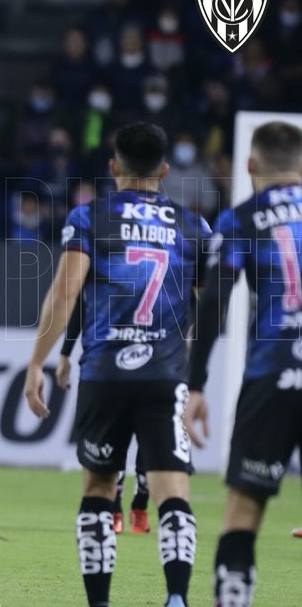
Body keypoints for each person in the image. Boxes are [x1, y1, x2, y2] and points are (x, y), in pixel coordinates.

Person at [25, 122, 210, 607]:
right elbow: (209, 303)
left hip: (106, 371)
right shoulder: (194, 226)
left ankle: (100, 603)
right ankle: (175, 598)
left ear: (113, 167)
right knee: (173, 488)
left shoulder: (91, 218)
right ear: (164, 170)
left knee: (99, 487)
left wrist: (38, 362)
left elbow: (67, 293)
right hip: (166, 374)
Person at [184, 121, 302, 606]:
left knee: (243, 514)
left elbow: (214, 302)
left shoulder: (240, 219)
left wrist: (195, 385)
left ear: (251, 166)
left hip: (272, 374)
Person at [57, 299, 150, 535]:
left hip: (153, 362)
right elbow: (81, 303)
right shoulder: (100, 267)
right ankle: (114, 508)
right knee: (111, 441)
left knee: (152, 440)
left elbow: (190, 297)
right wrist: (65, 351)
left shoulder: (164, 266)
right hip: (108, 364)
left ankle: (140, 503)